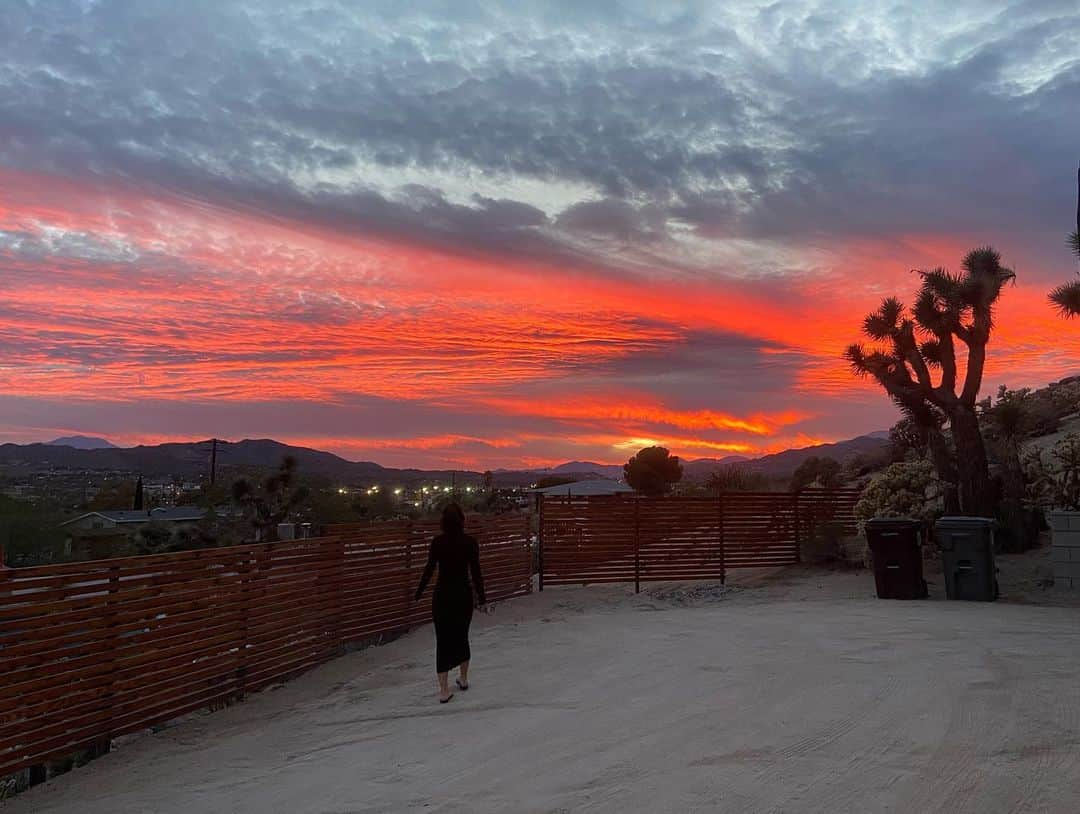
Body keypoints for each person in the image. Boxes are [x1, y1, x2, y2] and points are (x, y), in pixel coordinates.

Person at [414, 503, 486, 703]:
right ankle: (463, 679)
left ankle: (444, 690)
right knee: (462, 637)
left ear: (443, 522)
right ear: (462, 520)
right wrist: (482, 598)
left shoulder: (437, 543)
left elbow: (429, 570)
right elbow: (476, 572)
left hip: (443, 597)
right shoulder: (470, 542)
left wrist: (418, 592)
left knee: (443, 641)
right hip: (463, 596)